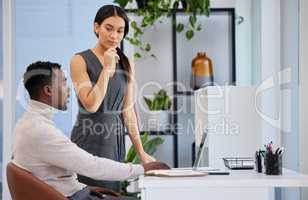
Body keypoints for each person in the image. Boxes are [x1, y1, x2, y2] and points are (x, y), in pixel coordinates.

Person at [13, 61, 170, 200]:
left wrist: (82, 187)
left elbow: (50, 176)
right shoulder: (40, 130)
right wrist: (142, 168)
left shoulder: (27, 123)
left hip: (73, 193)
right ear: (48, 91)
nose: (69, 90)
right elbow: (92, 165)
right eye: (63, 83)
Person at [70, 5, 155, 191]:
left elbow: (128, 112)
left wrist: (141, 152)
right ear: (96, 27)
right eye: (109, 28)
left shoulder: (127, 63)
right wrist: (107, 69)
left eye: (120, 30)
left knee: (109, 192)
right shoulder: (79, 60)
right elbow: (91, 105)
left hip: (114, 140)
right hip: (87, 136)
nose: (114, 36)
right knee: (85, 193)